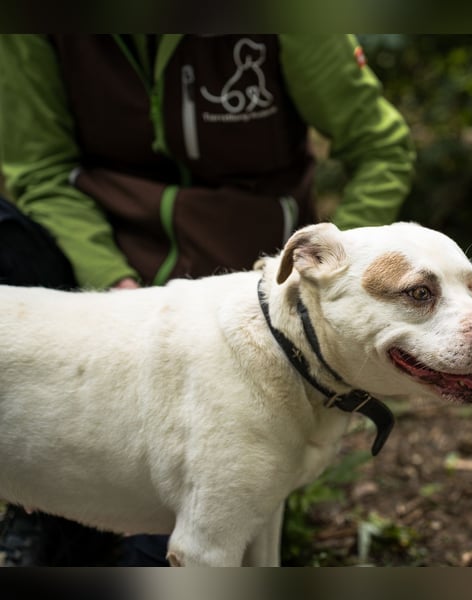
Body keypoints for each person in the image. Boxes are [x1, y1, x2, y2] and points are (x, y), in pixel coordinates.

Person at [0, 34, 414, 566]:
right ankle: (45, 496)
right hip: (100, 268)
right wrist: (114, 280)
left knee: (181, 551)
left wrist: (340, 271)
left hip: (251, 289)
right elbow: (41, 171)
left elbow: (381, 147)